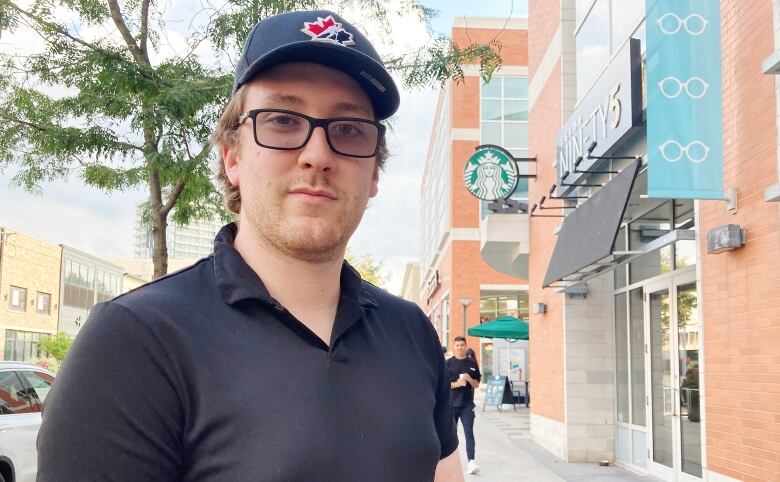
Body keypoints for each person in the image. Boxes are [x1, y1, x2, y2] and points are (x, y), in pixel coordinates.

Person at [37, 10, 463, 482]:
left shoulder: (413, 333)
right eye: (282, 120)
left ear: (375, 174)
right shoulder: (135, 343)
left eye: (348, 129)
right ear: (232, 156)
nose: (318, 155)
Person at [447, 336, 482, 475]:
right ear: (454, 346)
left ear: (466, 346)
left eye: (462, 345)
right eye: (457, 345)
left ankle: (471, 462)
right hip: (452, 405)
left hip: (467, 405)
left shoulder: (472, 362)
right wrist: (456, 384)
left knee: (469, 433)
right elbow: (442, 385)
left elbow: (477, 384)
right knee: (451, 434)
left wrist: (470, 379)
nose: (460, 347)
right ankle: (449, 462)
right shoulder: (448, 364)